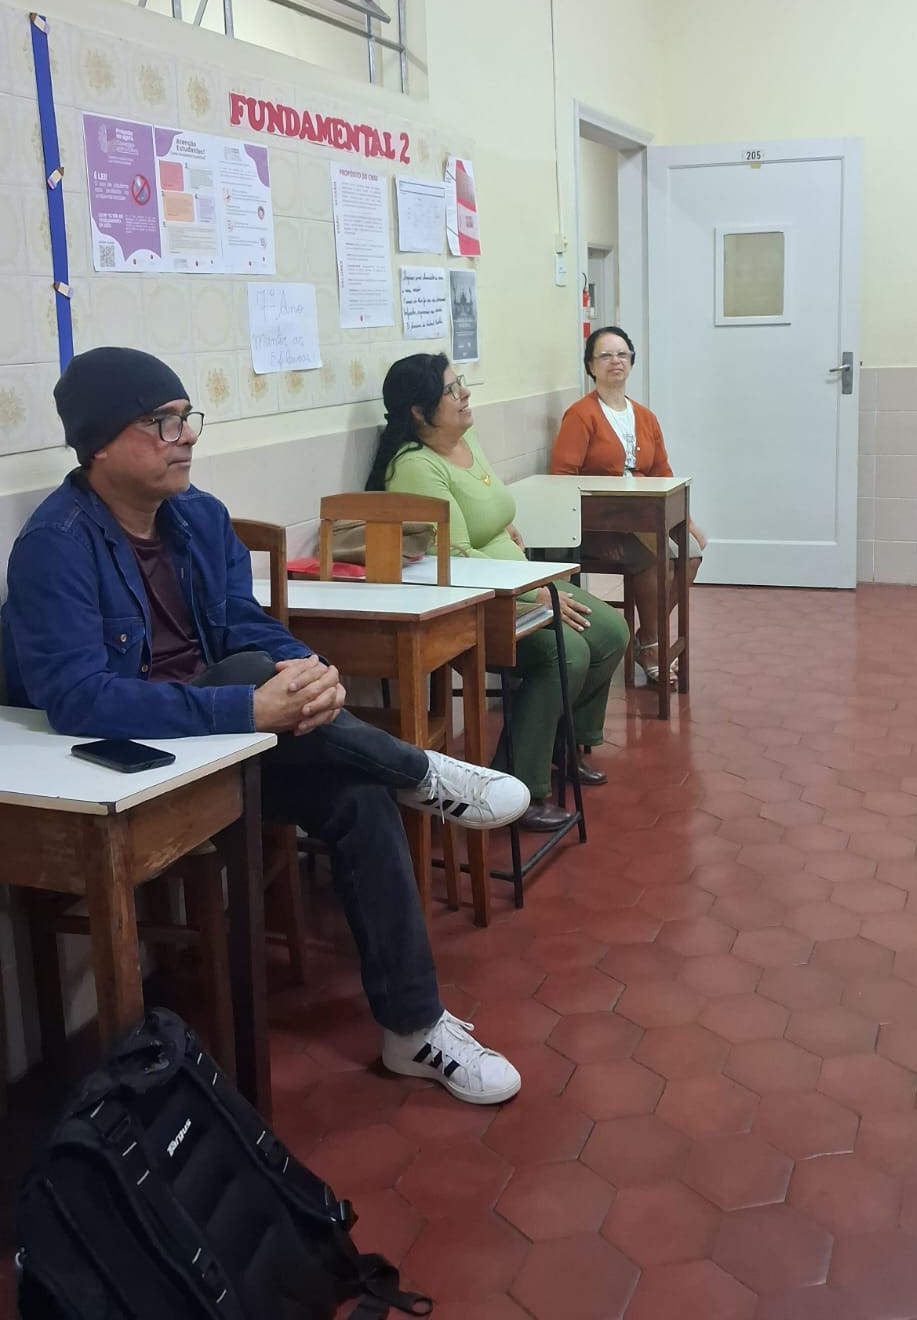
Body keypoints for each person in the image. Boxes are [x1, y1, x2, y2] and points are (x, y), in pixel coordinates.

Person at [2, 348, 530, 1105]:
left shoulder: (197, 516)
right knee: (254, 676)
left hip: (231, 746)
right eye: (162, 422)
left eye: (187, 417)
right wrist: (248, 707)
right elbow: (78, 698)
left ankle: (413, 1031)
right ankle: (418, 771)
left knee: (357, 797)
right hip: (144, 756)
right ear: (100, 445)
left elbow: (245, 622)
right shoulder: (55, 547)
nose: (187, 435)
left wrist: (308, 669)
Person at [367, 353, 629, 832]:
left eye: (460, 382)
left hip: (520, 581)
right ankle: (519, 786)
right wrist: (532, 598)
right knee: (565, 652)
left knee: (611, 631)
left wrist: (505, 529)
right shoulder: (415, 467)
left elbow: (485, 509)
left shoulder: (464, 438)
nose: (464, 393)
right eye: (451, 390)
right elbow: (456, 559)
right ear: (419, 412)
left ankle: (560, 745)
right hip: (477, 604)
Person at [550, 325, 705, 685]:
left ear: (632, 362)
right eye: (605, 355)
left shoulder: (645, 416)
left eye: (622, 354)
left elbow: (663, 473)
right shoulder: (581, 415)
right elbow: (561, 477)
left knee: (691, 554)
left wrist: (687, 521)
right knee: (653, 558)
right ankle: (651, 646)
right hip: (597, 525)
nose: (615, 361)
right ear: (591, 366)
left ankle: (647, 636)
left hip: (644, 519)